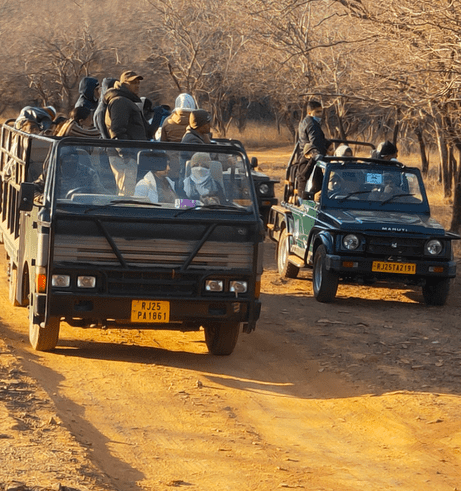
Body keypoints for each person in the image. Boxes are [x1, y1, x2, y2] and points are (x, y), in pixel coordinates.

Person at [104, 70, 150, 195]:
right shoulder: (120, 101)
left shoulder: (125, 101)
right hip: (124, 157)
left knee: (128, 192)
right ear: (124, 84)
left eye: (138, 83)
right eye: (133, 83)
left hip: (130, 155)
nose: (137, 86)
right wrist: (125, 155)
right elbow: (117, 130)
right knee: (125, 194)